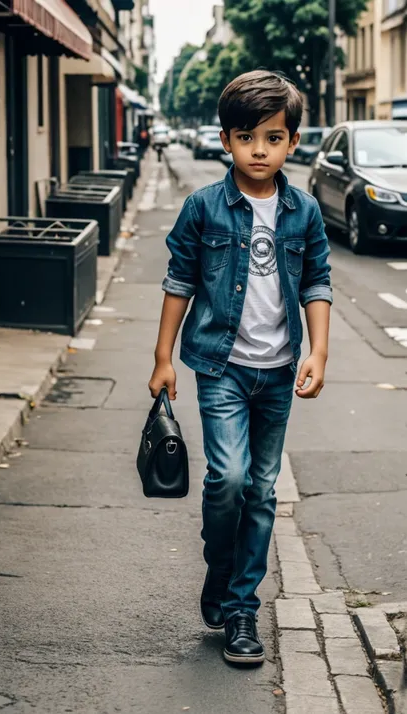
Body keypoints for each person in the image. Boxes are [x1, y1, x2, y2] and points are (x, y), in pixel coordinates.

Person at [148, 70, 332, 665]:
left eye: (273, 138)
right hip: (220, 365)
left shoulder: (303, 213)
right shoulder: (203, 208)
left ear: (292, 142)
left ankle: (241, 608)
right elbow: (179, 281)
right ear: (226, 141)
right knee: (226, 479)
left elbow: (316, 281)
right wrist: (162, 358)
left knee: (261, 489)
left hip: (278, 371)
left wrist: (319, 351)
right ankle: (221, 567)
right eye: (247, 136)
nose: (260, 150)